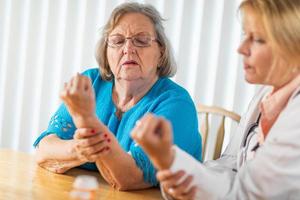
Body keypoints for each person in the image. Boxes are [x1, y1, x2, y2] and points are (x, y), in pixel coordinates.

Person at [132, 0, 300, 199]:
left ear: (293, 44)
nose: (241, 48)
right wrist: (180, 179)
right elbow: (231, 164)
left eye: (258, 39)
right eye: (246, 35)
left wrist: (169, 159)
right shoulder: (265, 96)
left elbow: (249, 194)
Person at [33, 2, 202, 191]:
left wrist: (86, 122)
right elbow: (44, 150)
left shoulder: (177, 103)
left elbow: (130, 178)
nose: (128, 49)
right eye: (118, 41)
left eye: (141, 40)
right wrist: (81, 149)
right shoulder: (91, 82)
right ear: (107, 51)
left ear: (161, 52)